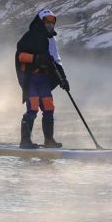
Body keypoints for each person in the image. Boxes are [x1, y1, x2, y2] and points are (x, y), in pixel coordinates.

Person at [15, 8, 70, 149]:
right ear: (41, 22)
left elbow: (56, 61)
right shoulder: (29, 36)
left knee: (49, 107)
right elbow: (21, 55)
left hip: (43, 79)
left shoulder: (52, 40)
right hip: (30, 78)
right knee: (33, 107)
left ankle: (49, 141)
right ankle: (25, 142)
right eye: (47, 21)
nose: (50, 24)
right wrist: (37, 58)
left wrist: (63, 79)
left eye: (53, 21)